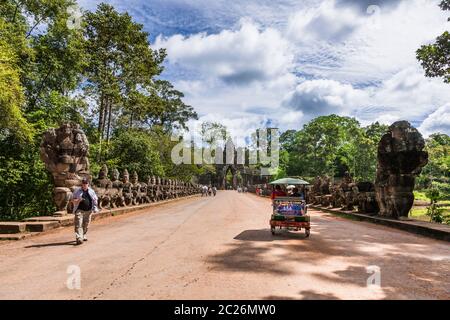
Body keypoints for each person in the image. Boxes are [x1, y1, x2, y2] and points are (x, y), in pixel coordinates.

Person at [71, 178, 98, 245]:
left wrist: (95, 208)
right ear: (81, 184)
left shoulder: (91, 191)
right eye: (83, 183)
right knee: (78, 224)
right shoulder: (77, 191)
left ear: (88, 184)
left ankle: (83, 234)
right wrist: (78, 200)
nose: (84, 185)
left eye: (86, 183)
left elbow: (95, 200)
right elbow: (72, 200)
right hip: (79, 210)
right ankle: (79, 238)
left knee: (86, 224)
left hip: (88, 210)